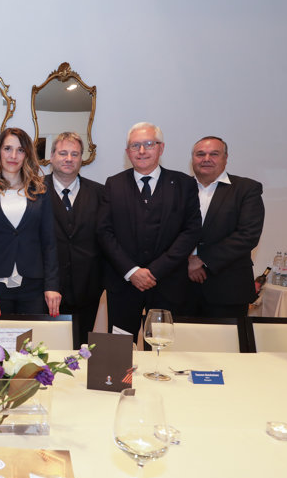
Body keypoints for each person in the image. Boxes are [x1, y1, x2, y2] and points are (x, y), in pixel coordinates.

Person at [97, 122, 201, 338]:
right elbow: (104, 232)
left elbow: (190, 231)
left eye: (149, 144)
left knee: (163, 349)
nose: (142, 151)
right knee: (120, 350)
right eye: (135, 146)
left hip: (168, 284)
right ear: (127, 152)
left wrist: (155, 271)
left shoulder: (184, 184)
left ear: (161, 148)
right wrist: (132, 271)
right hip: (124, 283)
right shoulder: (113, 184)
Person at [0, 127, 61, 319]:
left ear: (27, 154)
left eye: (20, 150)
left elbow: (49, 243)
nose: (13, 156)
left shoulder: (41, 192)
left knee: (33, 339)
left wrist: (52, 285)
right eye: (8, 149)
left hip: (34, 286)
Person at [186, 136, 264, 318]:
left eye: (214, 154)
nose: (206, 159)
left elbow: (248, 235)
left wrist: (201, 259)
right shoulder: (179, 187)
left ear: (225, 158)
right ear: (192, 159)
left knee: (227, 338)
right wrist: (187, 259)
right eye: (200, 154)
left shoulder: (246, 189)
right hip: (181, 289)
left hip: (228, 290)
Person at [45, 132, 104, 345]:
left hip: (87, 289)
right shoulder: (33, 190)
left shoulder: (100, 193)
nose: (69, 159)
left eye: (75, 154)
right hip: (45, 288)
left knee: (81, 350)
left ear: (81, 159)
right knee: (46, 350)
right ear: (52, 156)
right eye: (63, 153)